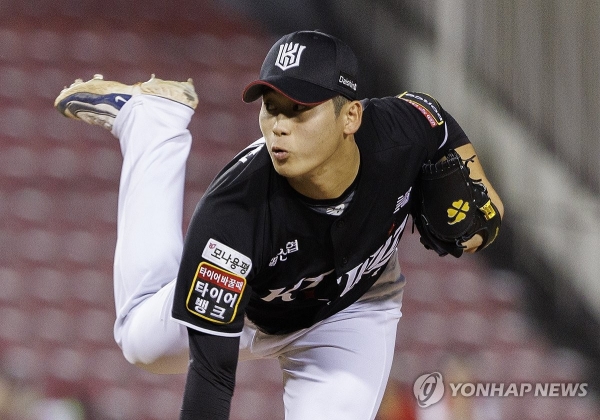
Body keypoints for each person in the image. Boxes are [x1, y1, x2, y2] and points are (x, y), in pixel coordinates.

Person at [54, 30, 503, 420]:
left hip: (352, 311)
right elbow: (212, 376)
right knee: (139, 343)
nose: (278, 127)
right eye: (271, 107)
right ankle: (153, 124)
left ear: (350, 116)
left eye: (299, 109)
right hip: (253, 311)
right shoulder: (233, 216)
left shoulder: (403, 131)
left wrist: (483, 223)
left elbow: (453, 149)